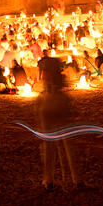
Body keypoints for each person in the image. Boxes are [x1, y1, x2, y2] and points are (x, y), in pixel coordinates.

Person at [37, 55, 80, 190]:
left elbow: (42, 86)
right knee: (69, 145)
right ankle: (77, 179)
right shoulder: (59, 77)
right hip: (60, 103)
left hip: (48, 104)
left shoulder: (44, 73)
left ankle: (49, 179)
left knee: (49, 146)